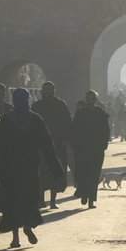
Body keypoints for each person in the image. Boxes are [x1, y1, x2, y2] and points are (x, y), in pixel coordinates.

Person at [0, 88, 63, 247]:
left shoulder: (7, 119)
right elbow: (47, 145)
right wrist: (56, 168)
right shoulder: (35, 119)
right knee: (30, 199)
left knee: (13, 202)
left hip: (10, 169)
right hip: (30, 168)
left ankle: (15, 238)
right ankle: (29, 226)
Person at [31, 81, 72, 209]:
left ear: (54, 90)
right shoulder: (37, 106)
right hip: (41, 144)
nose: (48, 91)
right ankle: (41, 200)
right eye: (45, 89)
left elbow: (67, 123)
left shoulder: (60, 105)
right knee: (41, 172)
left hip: (57, 144)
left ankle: (53, 201)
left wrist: (66, 139)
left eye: (50, 89)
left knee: (55, 171)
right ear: (42, 91)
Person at [70, 90, 111, 208]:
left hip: (96, 148)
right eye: (88, 99)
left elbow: (105, 130)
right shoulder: (80, 113)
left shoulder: (100, 113)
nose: (90, 101)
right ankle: (83, 192)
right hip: (82, 147)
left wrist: (104, 144)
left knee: (94, 174)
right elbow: (74, 129)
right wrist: (74, 143)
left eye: (93, 98)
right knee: (81, 172)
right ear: (86, 100)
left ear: (95, 100)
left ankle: (91, 199)